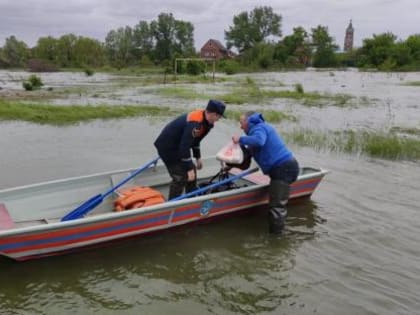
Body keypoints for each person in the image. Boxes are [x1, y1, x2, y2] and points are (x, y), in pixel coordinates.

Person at [231, 111, 299, 234]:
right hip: (281, 169)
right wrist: (229, 165)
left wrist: (240, 139)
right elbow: (245, 162)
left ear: (248, 121)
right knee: (276, 204)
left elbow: (259, 141)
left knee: (277, 208)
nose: (240, 127)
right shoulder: (253, 135)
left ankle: (276, 241)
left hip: (284, 168)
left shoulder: (259, 128)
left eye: (241, 123)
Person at [154, 100, 226, 200]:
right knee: (180, 176)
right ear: (214, 114)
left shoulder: (207, 123)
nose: (218, 119)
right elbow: (184, 146)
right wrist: (188, 169)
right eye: (219, 117)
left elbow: (196, 140)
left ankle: (192, 198)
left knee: (192, 171)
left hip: (179, 146)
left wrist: (198, 157)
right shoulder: (195, 122)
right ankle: (172, 204)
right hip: (167, 147)